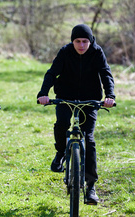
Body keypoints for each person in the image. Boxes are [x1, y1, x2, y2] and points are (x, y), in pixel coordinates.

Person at [37, 24, 115, 205]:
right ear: (72, 41)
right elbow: (52, 73)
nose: (81, 45)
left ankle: (90, 187)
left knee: (88, 138)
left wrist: (109, 96)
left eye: (85, 41)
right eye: (77, 41)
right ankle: (60, 153)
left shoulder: (97, 53)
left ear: (90, 41)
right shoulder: (65, 52)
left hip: (90, 100)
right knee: (62, 124)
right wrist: (43, 93)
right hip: (65, 97)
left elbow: (106, 74)